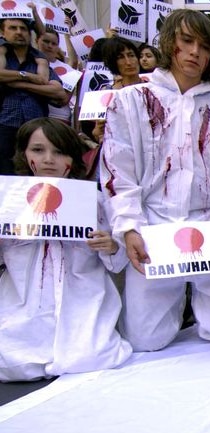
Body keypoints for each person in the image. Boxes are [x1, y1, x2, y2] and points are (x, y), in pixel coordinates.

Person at [100, 9, 210, 352]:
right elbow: (117, 170)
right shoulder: (131, 101)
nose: (194, 52)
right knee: (145, 340)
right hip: (153, 223)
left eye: (204, 46)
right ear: (170, 44)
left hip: (209, 224)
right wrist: (129, 227)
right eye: (186, 41)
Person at [0, 118, 132, 381]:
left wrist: (111, 246)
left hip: (81, 299)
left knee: (92, 356)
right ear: (24, 154)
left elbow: (117, 262)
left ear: (73, 157)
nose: (49, 159)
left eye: (59, 152)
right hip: (23, 301)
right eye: (38, 150)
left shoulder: (94, 201)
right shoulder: (7, 200)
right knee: (11, 361)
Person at [0, 17, 66, 174]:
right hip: (4, 126)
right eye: (13, 28)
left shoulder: (39, 60)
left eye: (23, 29)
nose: (19, 32)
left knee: (32, 175)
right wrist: (29, 76)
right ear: (2, 32)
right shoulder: (2, 58)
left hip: (35, 127)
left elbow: (59, 93)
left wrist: (19, 83)